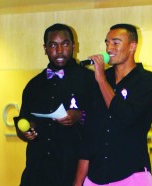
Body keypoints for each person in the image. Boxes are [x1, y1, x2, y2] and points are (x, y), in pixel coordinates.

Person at [74, 23, 152, 186]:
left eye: (116, 42)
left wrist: (101, 79)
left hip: (131, 176)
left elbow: (125, 117)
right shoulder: (98, 81)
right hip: (95, 177)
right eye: (107, 43)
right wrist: (79, 182)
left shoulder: (147, 81)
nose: (108, 49)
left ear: (132, 46)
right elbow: (89, 134)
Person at [14, 23, 95, 186]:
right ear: (45, 48)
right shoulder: (34, 85)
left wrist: (80, 116)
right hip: (36, 173)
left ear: (73, 46)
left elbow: (104, 124)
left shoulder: (90, 80)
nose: (59, 51)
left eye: (65, 44)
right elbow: (24, 120)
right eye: (53, 45)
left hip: (73, 174)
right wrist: (26, 131)